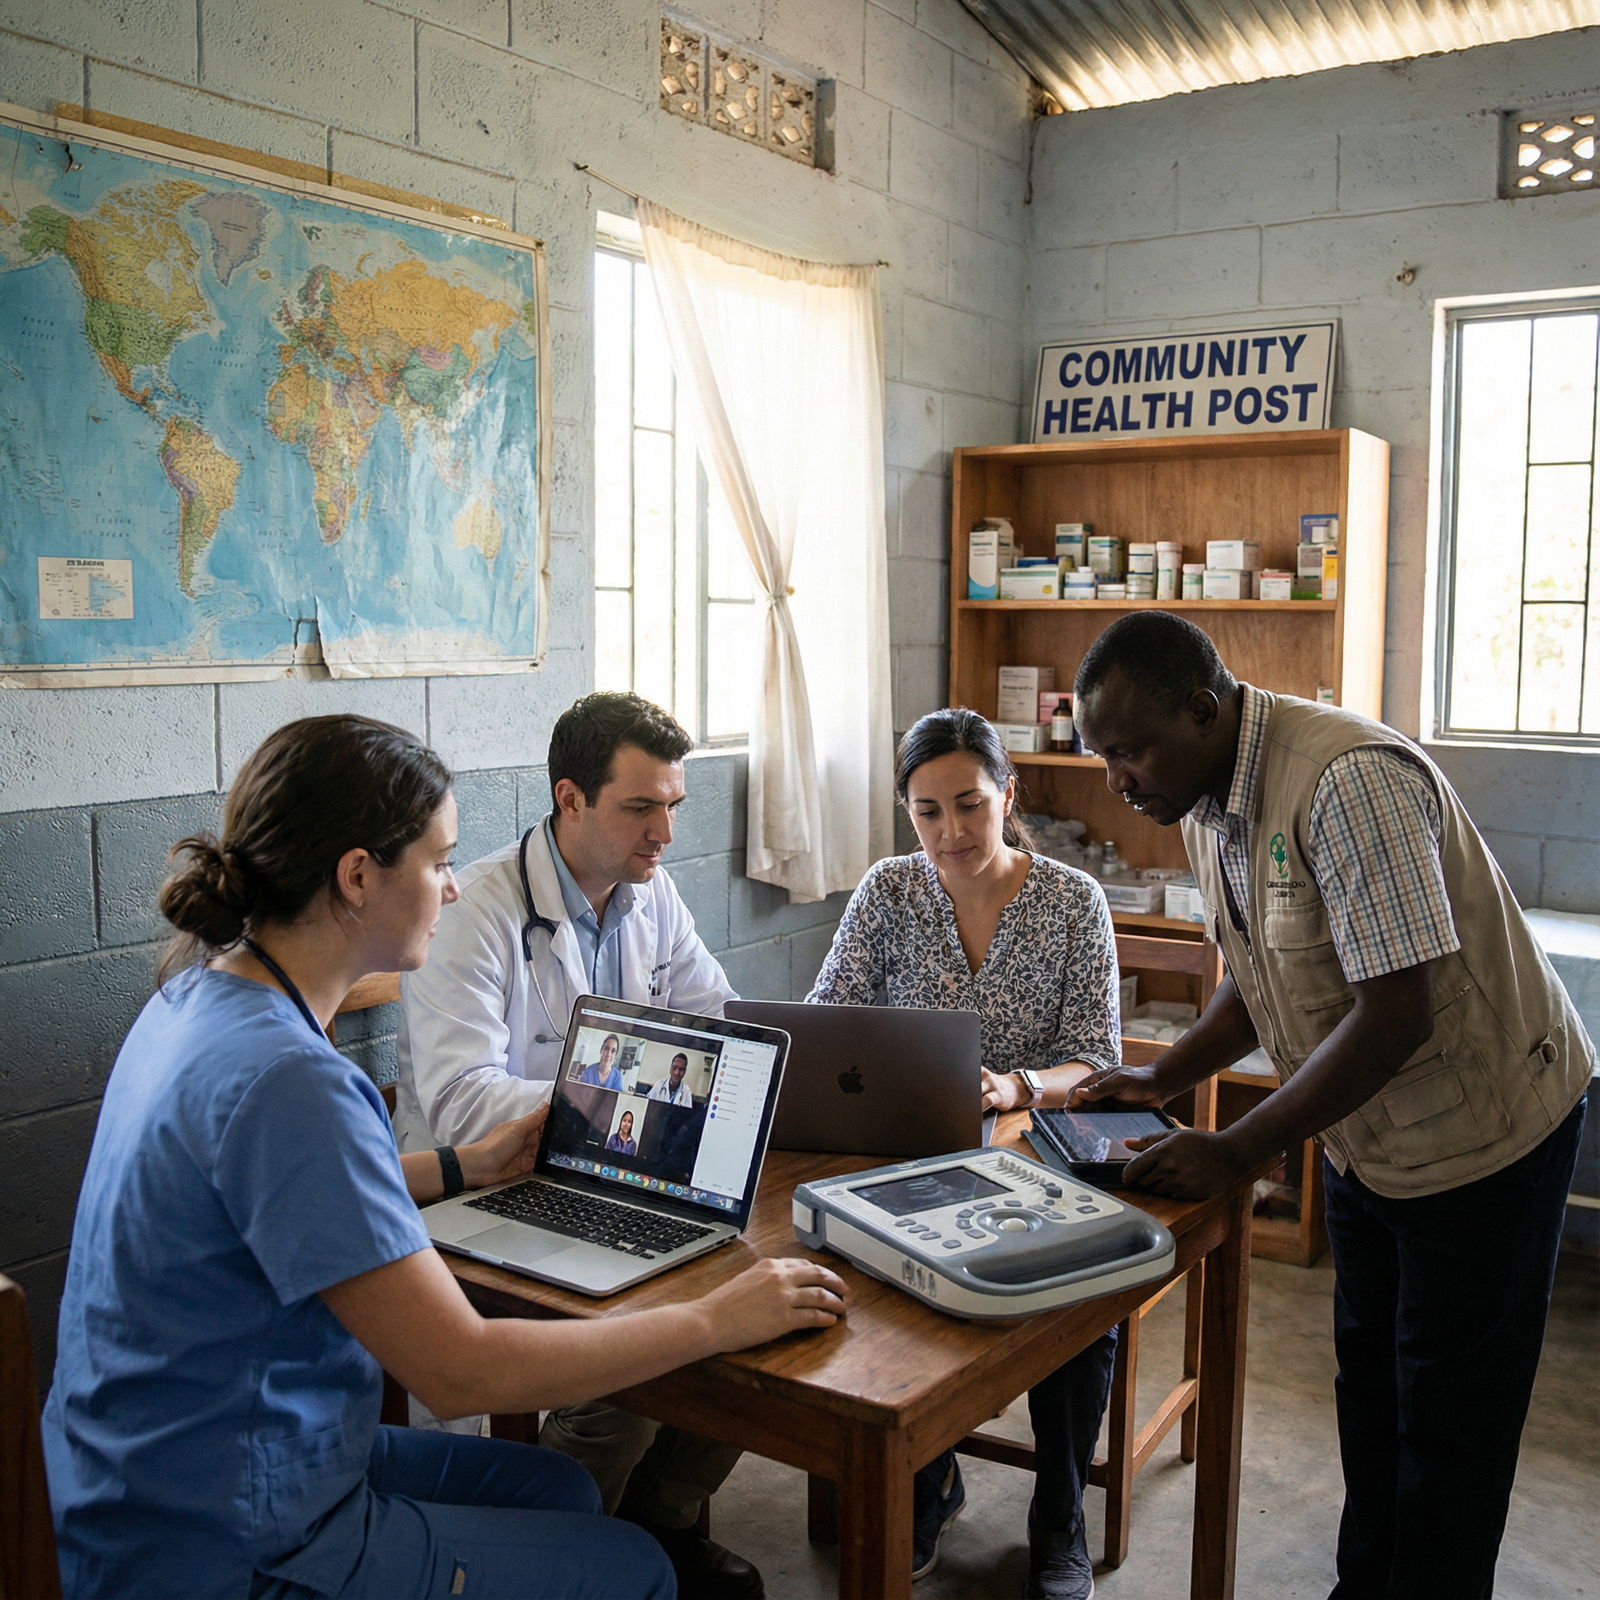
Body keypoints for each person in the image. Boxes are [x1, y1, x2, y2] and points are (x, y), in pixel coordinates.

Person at [40, 714, 846, 1600]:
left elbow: (283, 1192)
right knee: (638, 1567)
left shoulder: (196, 997)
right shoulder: (292, 1081)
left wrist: (465, 1166)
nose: (454, 888)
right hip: (226, 1535)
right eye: (436, 862)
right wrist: (714, 1322)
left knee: (564, 1487)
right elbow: (458, 1373)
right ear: (356, 877)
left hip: (140, 1470)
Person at [1068, 612, 1590, 1600]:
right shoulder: (1203, 795)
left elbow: (1397, 1012)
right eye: (1103, 756)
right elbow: (1259, 967)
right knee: (1374, 1398)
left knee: (1449, 1427)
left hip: (1484, 1140)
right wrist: (1162, 1078)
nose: (1118, 779)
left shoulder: (1347, 782)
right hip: (1367, 1141)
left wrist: (1235, 1149)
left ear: (1201, 709)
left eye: (1128, 750)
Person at [394, 690, 759, 1596]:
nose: (664, 833)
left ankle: (656, 1527)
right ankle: (569, 1546)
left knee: (758, 1330)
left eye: (673, 805)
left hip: (614, 1171)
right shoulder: (475, 910)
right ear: (570, 800)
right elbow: (462, 1102)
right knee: (641, 1349)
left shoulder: (650, 892)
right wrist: (640, 1106)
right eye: (641, 807)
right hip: (485, 1190)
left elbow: (714, 1021)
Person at [807, 707, 1122, 1599]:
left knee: (1081, 1307)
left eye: (970, 805)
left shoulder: (1071, 900)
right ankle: (926, 1478)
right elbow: (828, 1019)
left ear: (1008, 794)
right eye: (927, 811)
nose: (950, 832)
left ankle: (1058, 1514)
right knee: (872, 1281)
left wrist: (1015, 1085)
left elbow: (1097, 1059)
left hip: (1031, 1159)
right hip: (908, 1159)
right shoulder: (888, 892)